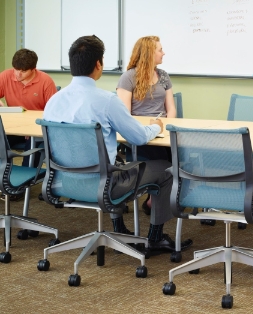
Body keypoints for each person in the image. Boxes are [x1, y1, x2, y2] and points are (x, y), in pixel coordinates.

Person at [43, 35, 191, 254]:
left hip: (64, 182)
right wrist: (157, 128)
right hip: (105, 184)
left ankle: (119, 228)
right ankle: (155, 238)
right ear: (98, 65)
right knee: (166, 169)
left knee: (116, 161)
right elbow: (138, 137)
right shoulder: (106, 100)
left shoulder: (53, 101)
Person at [116, 36, 176, 216]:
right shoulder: (128, 77)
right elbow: (124, 114)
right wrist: (148, 130)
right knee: (163, 158)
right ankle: (155, 198)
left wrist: (165, 126)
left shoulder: (163, 75)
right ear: (149, 53)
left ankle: (159, 196)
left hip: (161, 129)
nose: (163, 52)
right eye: (160, 49)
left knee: (179, 153)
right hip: (139, 132)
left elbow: (171, 108)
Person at [0, 48, 57, 167]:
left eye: (23, 71)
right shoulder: (5, 76)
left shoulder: (46, 81)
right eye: (16, 69)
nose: (17, 74)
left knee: (33, 140)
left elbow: (54, 112)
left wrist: (32, 127)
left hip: (36, 130)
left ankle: (26, 181)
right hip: (14, 128)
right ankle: (4, 174)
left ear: (33, 69)